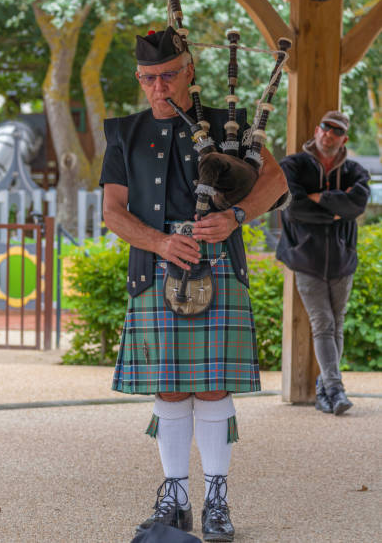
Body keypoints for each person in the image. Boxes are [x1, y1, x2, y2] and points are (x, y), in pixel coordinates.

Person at [100, 27, 288, 542]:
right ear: (139, 80)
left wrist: (238, 217)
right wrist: (160, 243)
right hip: (157, 267)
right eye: (148, 78)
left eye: (167, 75)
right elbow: (113, 212)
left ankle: (217, 503)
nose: (158, 87)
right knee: (169, 385)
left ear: (189, 72)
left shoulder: (231, 127)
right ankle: (176, 499)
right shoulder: (124, 133)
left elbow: (277, 180)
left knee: (212, 386)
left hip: (218, 260)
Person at [276, 111, 370, 416]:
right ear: (317, 130)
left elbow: (356, 206)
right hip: (306, 258)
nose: (329, 134)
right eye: (325, 128)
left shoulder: (355, 171)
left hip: (343, 259)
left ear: (344, 138)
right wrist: (335, 207)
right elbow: (293, 208)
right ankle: (335, 388)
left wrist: (317, 198)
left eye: (336, 131)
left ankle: (325, 389)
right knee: (324, 323)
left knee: (336, 324)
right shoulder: (293, 165)